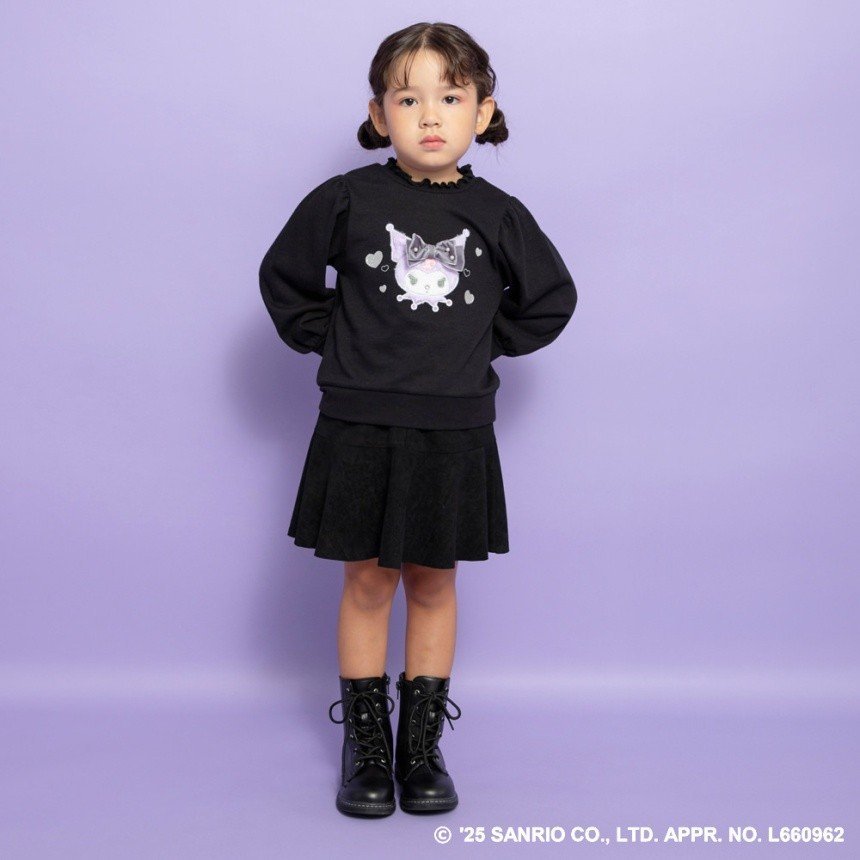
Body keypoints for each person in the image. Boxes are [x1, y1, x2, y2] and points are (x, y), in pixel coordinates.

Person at [259, 21, 577, 818]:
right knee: (368, 581)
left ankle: (421, 747)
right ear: (379, 115)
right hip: (359, 423)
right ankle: (367, 747)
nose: (430, 114)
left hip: (454, 429)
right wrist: (335, 338)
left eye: (451, 97)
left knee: (434, 581)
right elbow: (285, 279)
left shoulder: (498, 214)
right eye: (408, 99)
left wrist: (480, 345)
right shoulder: (346, 200)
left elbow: (551, 299)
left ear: (483, 112)